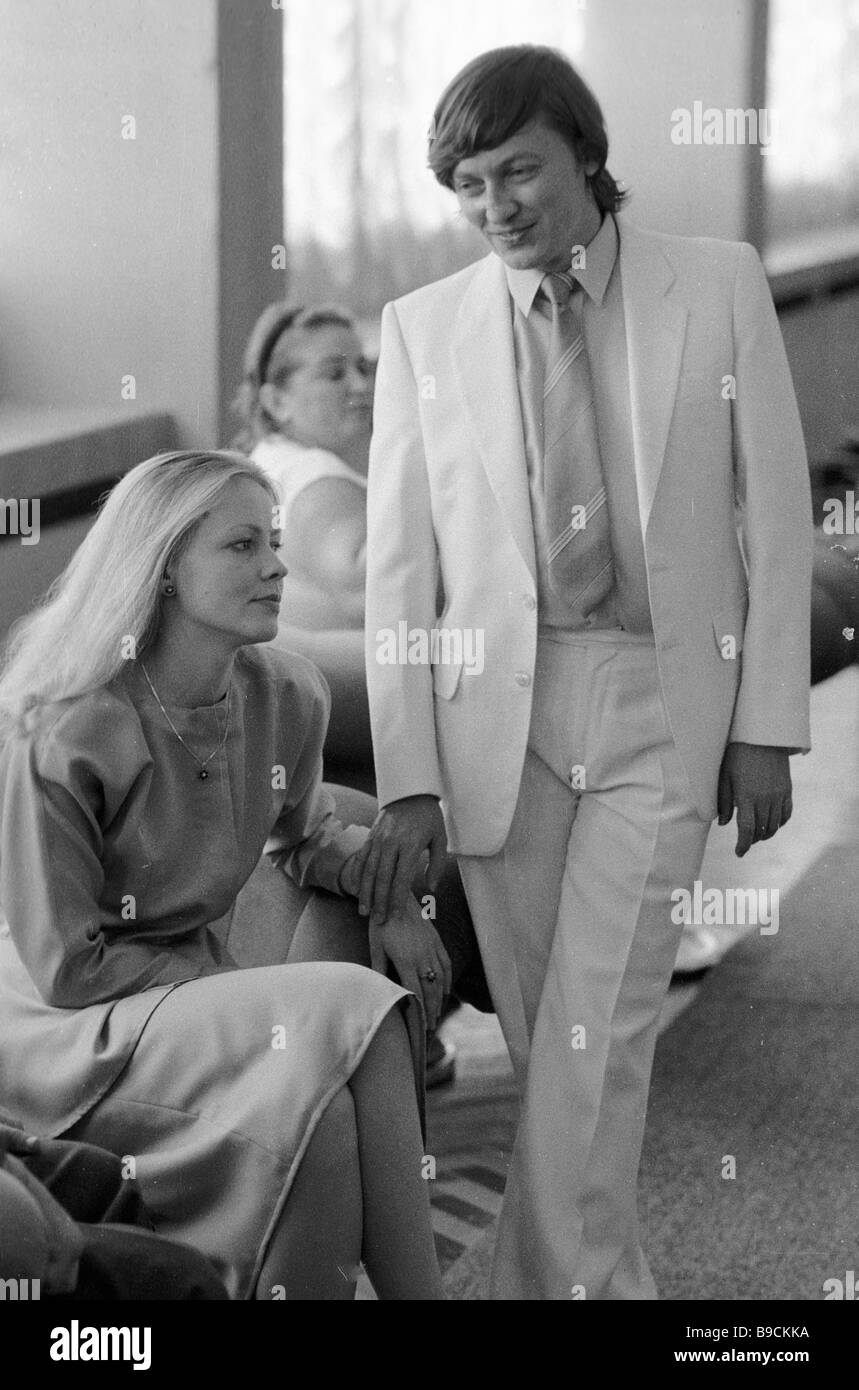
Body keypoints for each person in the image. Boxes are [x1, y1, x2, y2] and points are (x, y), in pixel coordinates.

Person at [355, 46, 812, 1300]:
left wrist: (764, 720)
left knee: (596, 1025)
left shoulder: (713, 285)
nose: (493, 205)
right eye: (465, 184)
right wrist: (408, 779)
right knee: (551, 1035)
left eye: (516, 171)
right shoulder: (421, 328)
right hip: (493, 723)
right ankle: (581, 1281)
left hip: (659, 699)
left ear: (586, 157)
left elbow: (773, 510)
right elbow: (400, 573)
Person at [0, 448, 447, 1301]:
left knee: (321, 1111)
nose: (277, 565)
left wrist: (387, 894)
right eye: (242, 546)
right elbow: (67, 967)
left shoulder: (284, 694)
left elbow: (300, 834)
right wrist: (236, 997)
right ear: (163, 569)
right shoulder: (60, 728)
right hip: (62, 1029)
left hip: (186, 1004)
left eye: (274, 541)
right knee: (355, 1012)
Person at [231, 301, 374, 782]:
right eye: (334, 374)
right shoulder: (315, 475)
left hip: (297, 699)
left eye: (363, 368)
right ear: (276, 402)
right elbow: (368, 589)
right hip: (345, 696)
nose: (361, 386)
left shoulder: (269, 461)